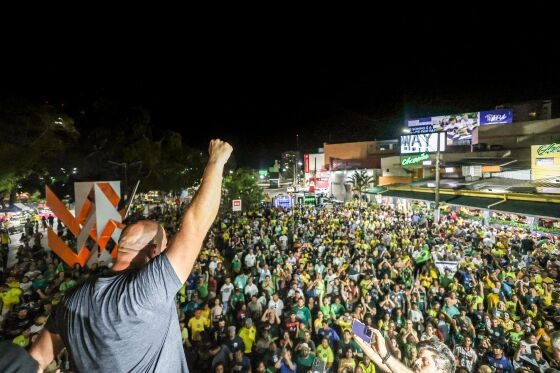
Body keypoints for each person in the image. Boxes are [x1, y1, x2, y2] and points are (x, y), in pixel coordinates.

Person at [30, 139, 233, 372]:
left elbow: (37, 358)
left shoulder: (70, 299)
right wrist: (217, 160)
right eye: (165, 248)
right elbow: (196, 224)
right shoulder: (144, 291)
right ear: (154, 251)